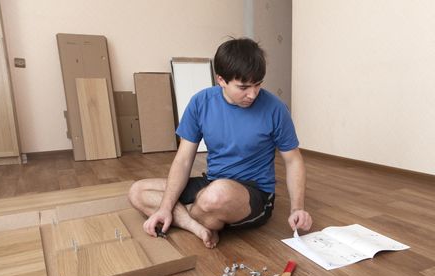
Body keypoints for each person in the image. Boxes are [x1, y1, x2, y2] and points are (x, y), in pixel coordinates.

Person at [128, 37, 312, 248]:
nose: (252, 94)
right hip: (211, 183)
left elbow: (293, 161)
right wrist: (164, 206)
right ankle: (197, 225)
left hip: (253, 193)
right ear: (221, 80)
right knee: (137, 191)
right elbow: (183, 161)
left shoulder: (275, 109)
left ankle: (191, 214)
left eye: (258, 84)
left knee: (216, 194)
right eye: (243, 87)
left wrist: (297, 208)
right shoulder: (201, 102)